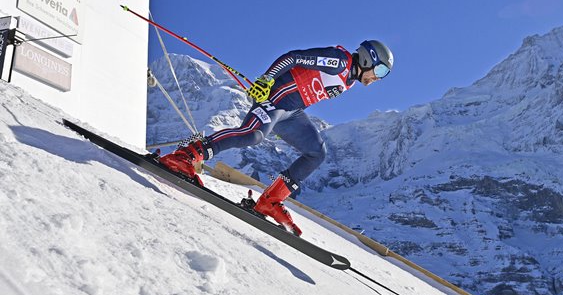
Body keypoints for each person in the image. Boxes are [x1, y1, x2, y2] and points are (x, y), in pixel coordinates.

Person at [159, 40, 394, 236]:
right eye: (380, 71)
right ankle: (184, 156)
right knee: (253, 135)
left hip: (291, 112)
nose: (378, 78)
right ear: (367, 59)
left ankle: (270, 202)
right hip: (274, 99)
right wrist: (267, 79)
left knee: (316, 152)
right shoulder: (339, 61)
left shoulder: (349, 79)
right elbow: (294, 57)